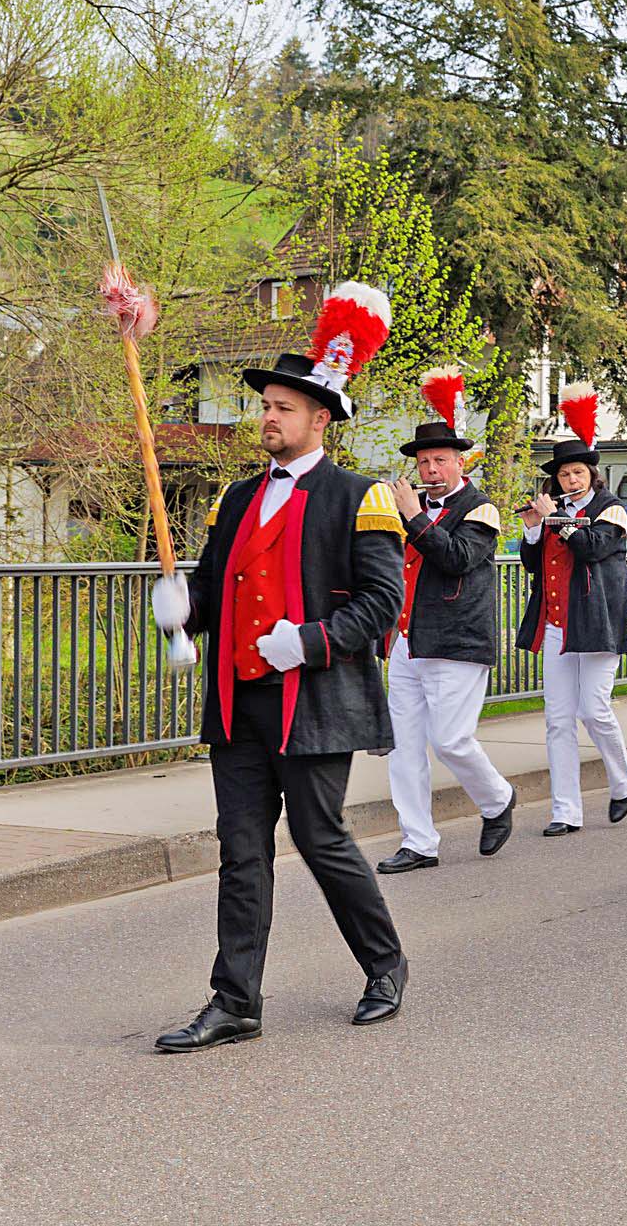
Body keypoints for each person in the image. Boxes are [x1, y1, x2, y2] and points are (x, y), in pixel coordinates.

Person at [150, 282, 408, 1052]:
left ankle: (385, 964)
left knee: (322, 837)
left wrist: (311, 641)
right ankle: (236, 1002)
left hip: (314, 698)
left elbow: (381, 604)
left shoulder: (359, 498)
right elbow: (211, 586)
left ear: (320, 418)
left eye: (284, 408)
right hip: (239, 701)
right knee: (242, 851)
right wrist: (181, 610)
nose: (268, 416)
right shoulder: (234, 498)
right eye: (264, 405)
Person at [375, 388, 517, 875]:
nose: (431, 469)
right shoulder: (404, 509)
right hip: (408, 640)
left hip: (457, 640)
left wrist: (414, 517)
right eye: (424, 461)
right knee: (405, 746)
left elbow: (457, 558)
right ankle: (418, 841)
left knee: (452, 740)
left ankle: (498, 799)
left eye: (440, 460)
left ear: (461, 462)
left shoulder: (481, 508)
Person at [515, 382, 627, 837]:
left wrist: (555, 520)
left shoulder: (613, 509)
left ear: (592, 474)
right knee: (557, 719)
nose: (571, 481)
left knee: (594, 709)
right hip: (555, 625)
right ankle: (565, 810)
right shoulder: (553, 513)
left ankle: (622, 779)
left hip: (596, 622)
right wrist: (531, 530)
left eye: (578, 473)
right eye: (564, 475)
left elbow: (590, 548)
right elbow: (532, 563)